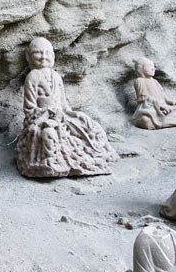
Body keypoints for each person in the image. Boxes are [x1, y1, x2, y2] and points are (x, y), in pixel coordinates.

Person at [15, 37, 117, 178]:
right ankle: (51, 162)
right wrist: (46, 114)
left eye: (47, 53)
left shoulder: (56, 77)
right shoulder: (33, 77)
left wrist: (76, 114)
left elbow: (64, 105)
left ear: (53, 56)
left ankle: (98, 153)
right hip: (43, 119)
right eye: (38, 53)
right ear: (29, 57)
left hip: (62, 116)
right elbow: (29, 109)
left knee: (90, 125)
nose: (43, 57)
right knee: (49, 133)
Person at [131, 57, 176, 130]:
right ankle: (163, 120)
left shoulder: (155, 81)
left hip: (164, 107)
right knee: (146, 120)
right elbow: (143, 98)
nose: (153, 69)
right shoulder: (139, 81)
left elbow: (163, 96)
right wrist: (159, 105)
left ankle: (165, 119)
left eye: (153, 67)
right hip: (152, 107)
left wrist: (173, 102)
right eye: (149, 66)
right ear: (140, 69)